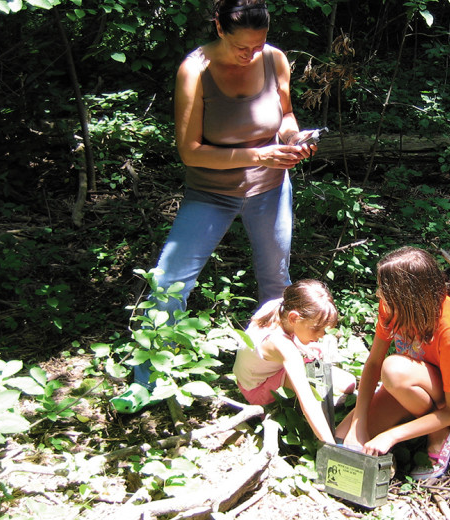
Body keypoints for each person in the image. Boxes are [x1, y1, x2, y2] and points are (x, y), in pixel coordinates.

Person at [112, 0, 319, 414]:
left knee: (276, 282)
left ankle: (273, 370)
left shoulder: (274, 59)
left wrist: (293, 140)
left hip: (270, 189)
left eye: (259, 44)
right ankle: (145, 380)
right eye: (244, 47)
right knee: (168, 281)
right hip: (210, 192)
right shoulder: (196, 70)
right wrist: (257, 156)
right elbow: (191, 153)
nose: (253, 54)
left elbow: (286, 113)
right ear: (220, 30)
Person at [335, 246, 450, 480]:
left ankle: (440, 434)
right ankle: (413, 412)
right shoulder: (391, 307)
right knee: (341, 440)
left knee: (393, 370)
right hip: (413, 381)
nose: (378, 294)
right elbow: (374, 362)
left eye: (384, 289)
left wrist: (392, 436)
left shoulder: (449, 330)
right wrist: (359, 423)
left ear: (407, 296)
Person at [233, 280, 356, 443]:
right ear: (294, 318)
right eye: (316, 329)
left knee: (349, 383)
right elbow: (308, 402)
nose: (321, 335)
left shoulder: (278, 306)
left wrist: (302, 346)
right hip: (257, 388)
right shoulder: (282, 347)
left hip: (253, 376)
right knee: (336, 386)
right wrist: (330, 445)